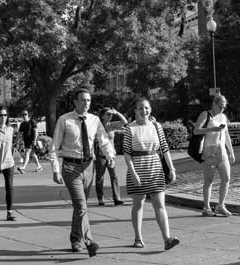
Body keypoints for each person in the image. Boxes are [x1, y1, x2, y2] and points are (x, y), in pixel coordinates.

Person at [50, 88, 114, 256]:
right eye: (83, 100)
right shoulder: (65, 120)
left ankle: (75, 239)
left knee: (81, 207)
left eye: (89, 100)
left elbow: (103, 140)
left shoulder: (94, 120)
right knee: (80, 205)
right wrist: (56, 170)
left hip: (88, 167)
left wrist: (110, 155)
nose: (86, 103)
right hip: (71, 167)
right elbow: (54, 148)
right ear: (75, 102)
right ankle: (89, 241)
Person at [122, 97, 180, 250]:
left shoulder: (156, 125)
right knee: (138, 205)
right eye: (140, 108)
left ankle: (167, 239)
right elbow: (127, 153)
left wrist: (172, 168)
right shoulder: (130, 128)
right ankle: (138, 237)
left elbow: (165, 148)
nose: (144, 111)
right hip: (138, 169)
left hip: (155, 168)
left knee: (160, 205)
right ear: (135, 111)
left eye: (146, 108)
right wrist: (133, 173)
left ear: (150, 110)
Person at [194, 94, 236, 217]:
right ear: (214, 104)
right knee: (209, 180)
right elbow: (196, 130)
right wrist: (213, 129)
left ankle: (220, 205)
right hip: (209, 151)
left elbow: (226, 135)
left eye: (224, 107)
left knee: (226, 178)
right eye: (219, 106)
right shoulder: (206, 114)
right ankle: (206, 207)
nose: (221, 109)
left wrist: (231, 151)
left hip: (221, 151)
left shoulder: (223, 116)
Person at [94, 107, 127, 206]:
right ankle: (100, 198)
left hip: (111, 156)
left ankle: (117, 198)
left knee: (114, 176)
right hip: (100, 156)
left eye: (111, 114)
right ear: (102, 116)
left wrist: (117, 112)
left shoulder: (111, 125)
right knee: (100, 178)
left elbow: (124, 122)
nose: (110, 116)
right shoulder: (96, 126)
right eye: (108, 114)